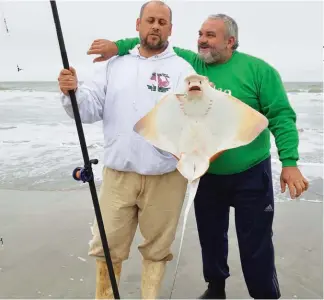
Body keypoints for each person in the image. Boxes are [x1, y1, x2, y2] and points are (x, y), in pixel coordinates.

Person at [86, 13, 309, 299]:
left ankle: (264, 294)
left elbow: (280, 116)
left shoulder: (259, 70)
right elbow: (156, 43)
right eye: (200, 34)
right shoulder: (193, 63)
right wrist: (117, 46)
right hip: (207, 174)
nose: (202, 40)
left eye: (210, 36)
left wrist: (289, 162)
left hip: (251, 172)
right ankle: (215, 289)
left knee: (256, 240)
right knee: (211, 238)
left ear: (231, 41)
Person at [57, 1, 197, 299]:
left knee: (158, 248)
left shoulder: (182, 69)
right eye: (150, 20)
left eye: (162, 21)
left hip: (166, 176)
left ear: (170, 29)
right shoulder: (114, 64)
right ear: (138, 25)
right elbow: (89, 109)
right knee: (107, 245)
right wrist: (72, 91)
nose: (155, 26)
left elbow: (195, 120)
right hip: (118, 173)